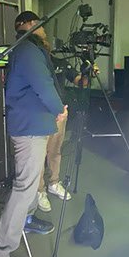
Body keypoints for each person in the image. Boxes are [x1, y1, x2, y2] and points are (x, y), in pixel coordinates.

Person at [0, 11, 66, 257]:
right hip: (30, 128)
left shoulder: (27, 49)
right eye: (38, 23)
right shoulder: (29, 50)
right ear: (27, 26)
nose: (43, 27)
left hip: (34, 126)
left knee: (28, 185)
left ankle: (27, 219)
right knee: (24, 188)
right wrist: (59, 109)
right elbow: (44, 85)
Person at [36, 46, 99, 213]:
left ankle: (53, 183)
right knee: (39, 154)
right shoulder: (35, 63)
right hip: (40, 113)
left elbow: (80, 82)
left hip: (60, 112)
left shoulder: (61, 63)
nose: (45, 45)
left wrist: (88, 73)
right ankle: (39, 190)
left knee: (55, 150)